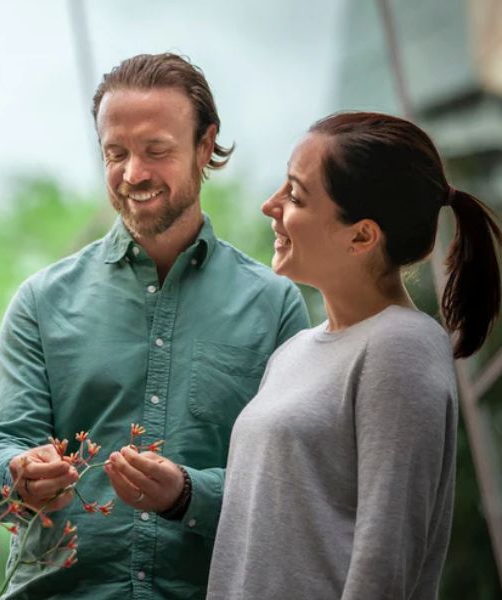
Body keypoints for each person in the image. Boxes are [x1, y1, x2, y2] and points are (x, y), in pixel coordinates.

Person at [0, 52, 309, 599]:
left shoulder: (274, 307)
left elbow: (293, 488)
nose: (133, 174)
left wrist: (187, 494)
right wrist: (19, 471)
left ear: (205, 146)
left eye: (156, 151)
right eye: (115, 153)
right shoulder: (40, 301)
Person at [207, 112, 501, 598]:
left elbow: (385, 560)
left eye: (296, 196)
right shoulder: (293, 353)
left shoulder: (400, 347)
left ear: (362, 236)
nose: (269, 205)